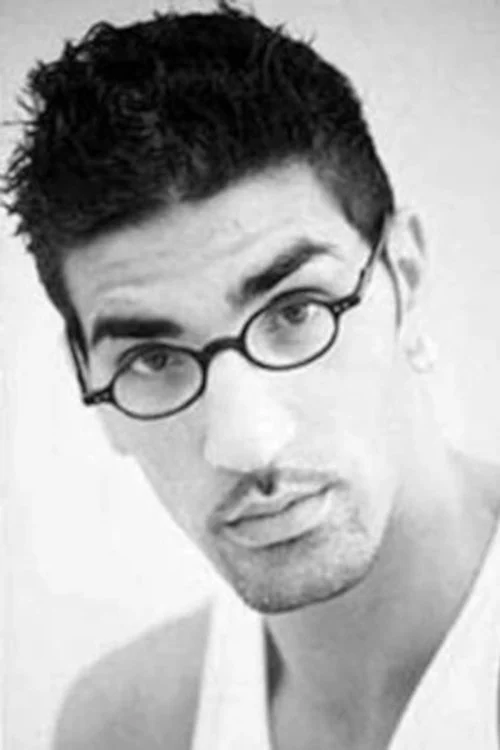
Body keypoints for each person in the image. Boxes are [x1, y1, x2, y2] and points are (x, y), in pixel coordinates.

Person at [4, 3, 500, 748]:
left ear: (403, 273)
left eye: (296, 311)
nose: (248, 441)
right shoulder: (124, 727)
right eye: (153, 360)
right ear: (90, 387)